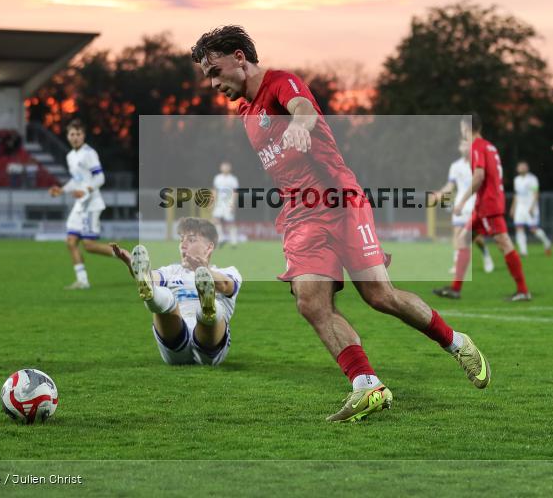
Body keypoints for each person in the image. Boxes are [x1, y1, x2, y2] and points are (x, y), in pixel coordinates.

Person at [192, 26, 490, 423]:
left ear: (239, 57)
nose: (212, 83)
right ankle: (367, 385)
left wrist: (300, 124)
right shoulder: (246, 112)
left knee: (380, 296)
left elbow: (302, 107)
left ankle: (457, 343)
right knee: (310, 301)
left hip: (340, 200)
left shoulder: (281, 82)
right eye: (207, 77)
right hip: (301, 213)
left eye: (215, 71)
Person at [110, 218, 241, 366]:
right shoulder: (171, 271)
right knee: (166, 297)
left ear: (209, 247)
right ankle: (152, 298)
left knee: (209, 310)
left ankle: (207, 308)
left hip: (211, 345)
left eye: (191, 240)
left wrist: (205, 271)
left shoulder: (228, 271)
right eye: (181, 240)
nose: (183, 246)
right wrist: (135, 268)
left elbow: (225, 285)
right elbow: (153, 278)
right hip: (175, 339)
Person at [433, 114, 531, 302]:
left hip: (488, 204)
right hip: (484, 204)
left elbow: (479, 177)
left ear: (465, 128)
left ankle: (523, 290)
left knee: (504, 243)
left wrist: (461, 202)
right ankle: (455, 288)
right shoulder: (490, 146)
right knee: (463, 239)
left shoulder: (477, 146)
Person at [48, 120, 113, 289]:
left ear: (83, 136)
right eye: (72, 134)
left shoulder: (89, 153)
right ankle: (82, 281)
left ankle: (130, 258)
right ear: (68, 136)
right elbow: (76, 180)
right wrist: (61, 190)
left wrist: (85, 191)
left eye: (78, 134)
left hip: (91, 203)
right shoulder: (70, 156)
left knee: (89, 246)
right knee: (71, 242)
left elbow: (100, 178)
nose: (75, 137)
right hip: (80, 204)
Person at [432, 138, 495, 275]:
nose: (464, 146)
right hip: (460, 205)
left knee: (476, 238)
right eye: (462, 144)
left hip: (476, 204)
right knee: (457, 234)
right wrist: (440, 194)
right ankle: (457, 265)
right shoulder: (455, 166)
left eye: (467, 144)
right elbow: (450, 186)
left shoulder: (478, 164)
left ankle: (485, 254)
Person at [510, 161, 553, 257]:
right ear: (517, 168)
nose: (522, 168)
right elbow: (516, 194)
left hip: (530, 207)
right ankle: (523, 251)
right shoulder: (516, 180)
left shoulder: (532, 179)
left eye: (523, 166)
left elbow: (536, 193)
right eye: (520, 166)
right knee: (519, 228)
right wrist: (513, 207)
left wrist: (533, 207)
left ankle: (547, 242)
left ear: (527, 168)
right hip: (520, 207)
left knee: (533, 229)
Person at [211, 162, 239, 247]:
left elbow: (235, 192)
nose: (225, 168)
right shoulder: (217, 178)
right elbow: (215, 190)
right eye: (223, 167)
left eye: (227, 167)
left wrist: (233, 203)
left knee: (230, 222)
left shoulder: (233, 179)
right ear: (221, 168)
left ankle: (234, 241)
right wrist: (213, 201)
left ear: (229, 168)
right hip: (219, 202)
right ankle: (221, 238)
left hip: (229, 202)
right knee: (215, 219)